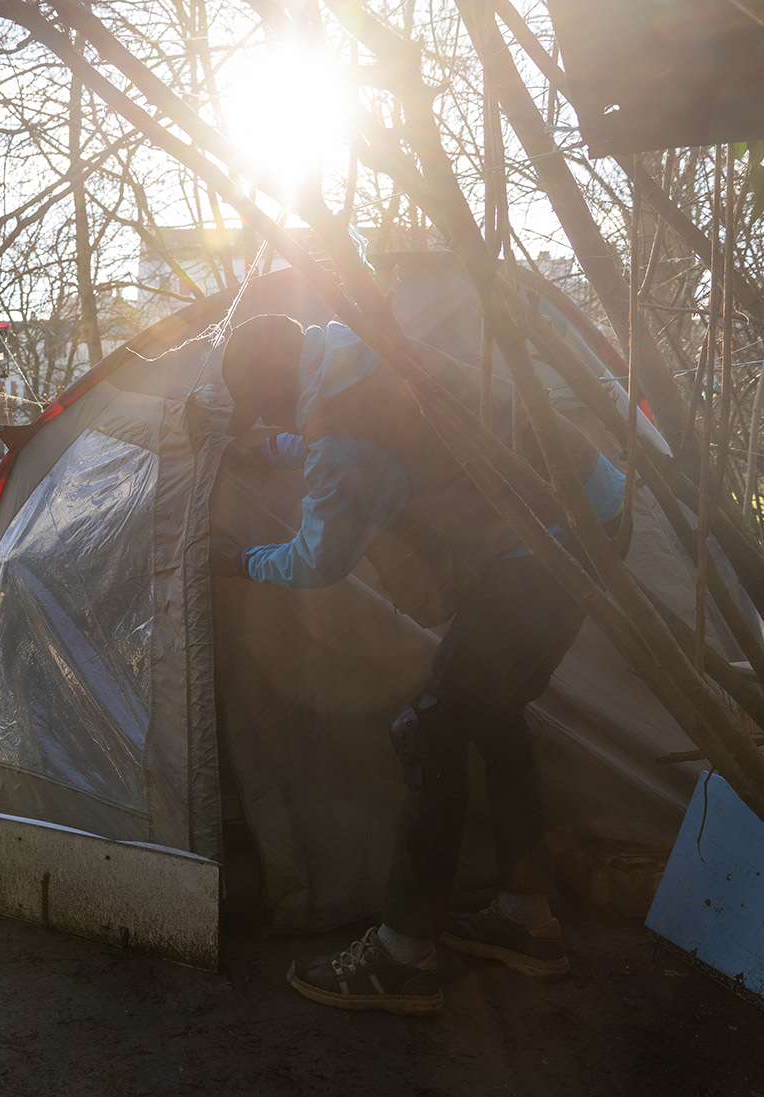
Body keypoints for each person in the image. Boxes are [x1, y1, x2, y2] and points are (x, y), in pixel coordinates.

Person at [214, 313, 627, 1016]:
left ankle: (402, 955)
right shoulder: (348, 341)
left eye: (271, 405)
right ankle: (527, 919)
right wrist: (270, 447)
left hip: (548, 546)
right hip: (592, 507)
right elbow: (348, 433)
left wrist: (240, 560)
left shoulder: (339, 427)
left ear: (281, 378)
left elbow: (321, 557)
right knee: (492, 711)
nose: (278, 417)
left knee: (433, 725)